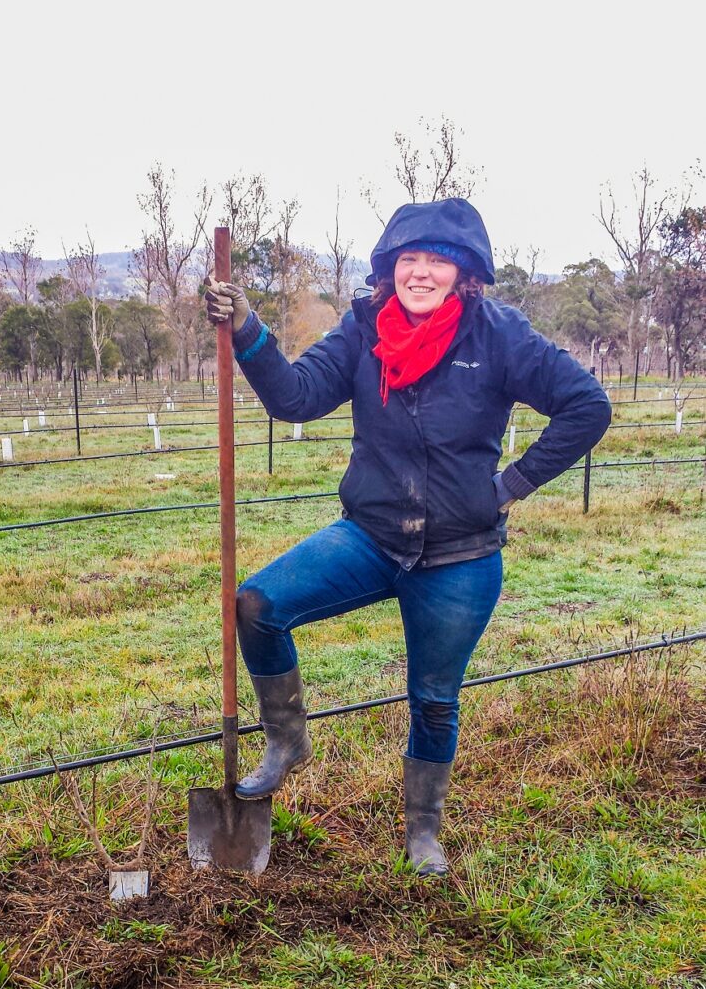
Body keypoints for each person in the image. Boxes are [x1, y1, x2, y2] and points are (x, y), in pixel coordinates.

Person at [204, 198, 611, 876]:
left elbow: (586, 405)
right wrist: (248, 330)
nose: (419, 272)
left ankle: (422, 830)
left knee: (431, 700)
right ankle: (286, 742)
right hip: (369, 535)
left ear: (464, 273)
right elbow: (295, 398)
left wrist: (508, 487)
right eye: (407, 260)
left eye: (437, 260)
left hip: (459, 556)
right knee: (257, 605)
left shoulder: (498, 335)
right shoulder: (364, 327)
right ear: (390, 268)